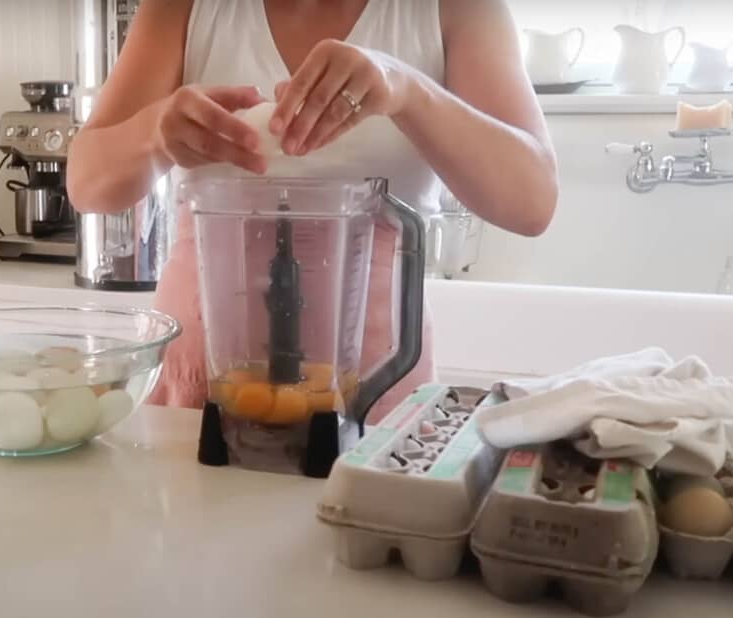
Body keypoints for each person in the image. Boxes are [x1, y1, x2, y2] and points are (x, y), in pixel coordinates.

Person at [67, 0, 558, 419]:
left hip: (375, 375)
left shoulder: (451, 9)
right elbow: (88, 184)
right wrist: (157, 131)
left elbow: (530, 202)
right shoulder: (186, 8)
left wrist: (407, 88)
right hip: (206, 373)